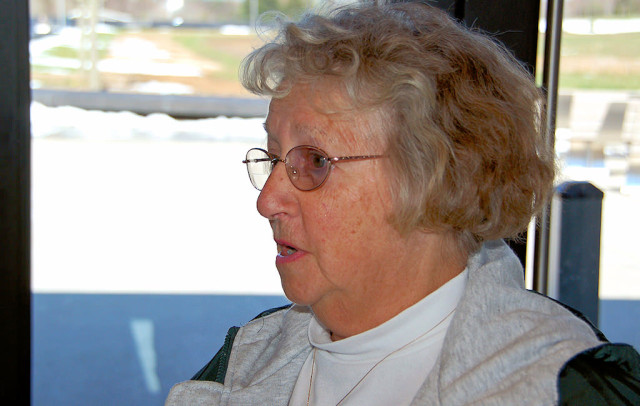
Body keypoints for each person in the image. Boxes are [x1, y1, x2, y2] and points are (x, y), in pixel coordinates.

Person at [166, 1, 640, 405]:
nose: (267, 200)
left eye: (314, 161)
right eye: (271, 158)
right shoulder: (247, 355)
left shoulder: (564, 384)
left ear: (438, 178)